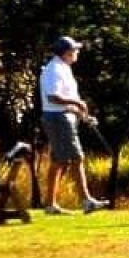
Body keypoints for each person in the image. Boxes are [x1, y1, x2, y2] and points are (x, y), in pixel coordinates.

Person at [38, 36, 109, 214]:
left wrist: (82, 114)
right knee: (77, 158)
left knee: (58, 161)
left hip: (63, 117)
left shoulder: (63, 68)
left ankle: (50, 204)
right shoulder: (53, 69)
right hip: (58, 118)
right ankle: (86, 201)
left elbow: (64, 99)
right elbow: (53, 97)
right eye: (74, 50)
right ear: (66, 53)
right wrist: (78, 104)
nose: (77, 52)